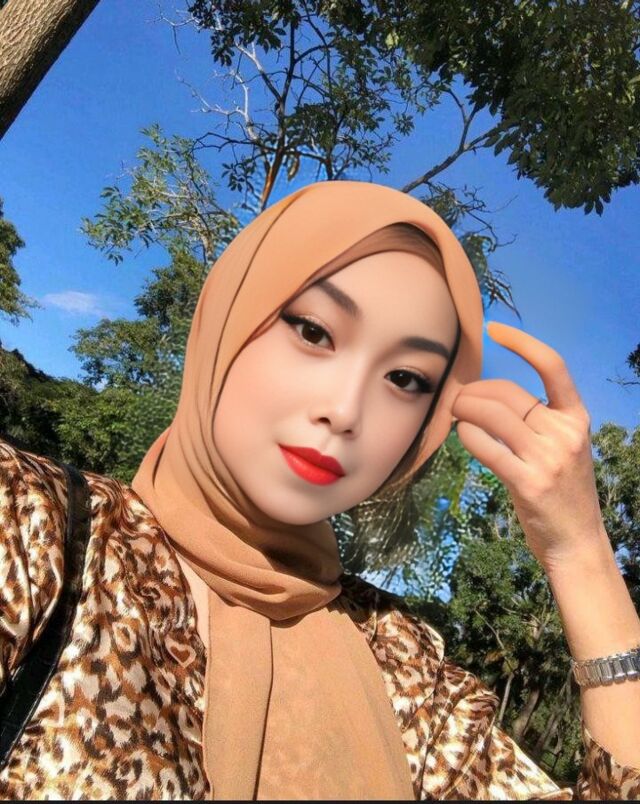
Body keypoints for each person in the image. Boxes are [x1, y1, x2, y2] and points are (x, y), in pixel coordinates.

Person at [0, 179, 638, 800]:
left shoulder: (408, 672)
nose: (345, 409)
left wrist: (581, 552)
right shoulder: (35, 528)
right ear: (228, 320)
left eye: (406, 379)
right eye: (313, 331)